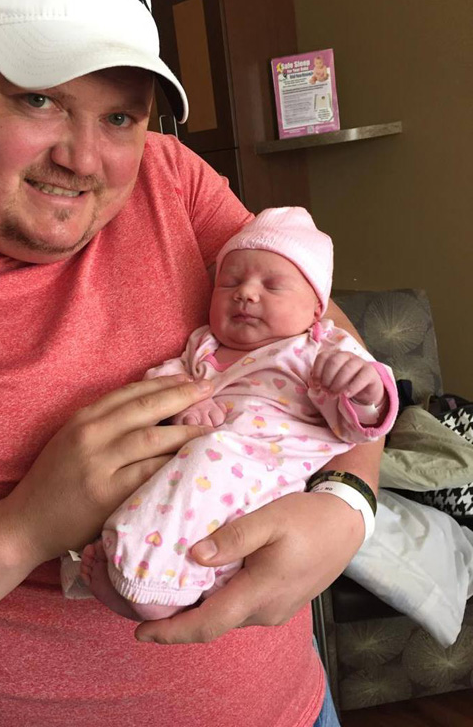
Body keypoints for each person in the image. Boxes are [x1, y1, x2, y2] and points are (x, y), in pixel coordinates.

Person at [0, 0, 382, 725]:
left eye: (119, 115)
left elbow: (311, 319)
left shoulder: (169, 177)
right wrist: (24, 528)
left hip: (296, 709)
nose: (83, 159)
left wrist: (350, 502)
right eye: (37, 98)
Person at [79, 208, 397, 621]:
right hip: (199, 466)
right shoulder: (203, 346)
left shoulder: (319, 351)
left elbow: (358, 423)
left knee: (214, 469)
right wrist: (188, 404)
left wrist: (365, 390)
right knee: (171, 477)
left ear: (316, 309)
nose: (245, 293)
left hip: (269, 471)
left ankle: (154, 585)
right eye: (229, 282)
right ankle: (138, 569)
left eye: (272, 285)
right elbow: (161, 382)